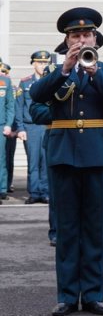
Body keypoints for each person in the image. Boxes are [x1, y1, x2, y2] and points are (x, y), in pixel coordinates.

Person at [29, 7, 103, 316]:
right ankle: (68, 296)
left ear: (96, 40)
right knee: (68, 228)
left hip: (97, 155)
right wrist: (64, 69)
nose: (81, 39)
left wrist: (94, 72)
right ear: (66, 40)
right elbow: (36, 97)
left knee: (94, 228)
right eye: (75, 35)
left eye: (86, 35)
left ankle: (94, 294)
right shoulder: (57, 71)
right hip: (63, 154)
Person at [15, 51, 52, 205]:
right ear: (33, 64)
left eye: (45, 63)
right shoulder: (25, 83)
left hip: (46, 126)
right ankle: (34, 192)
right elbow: (19, 107)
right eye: (39, 62)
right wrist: (20, 128)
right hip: (30, 127)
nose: (42, 66)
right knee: (33, 161)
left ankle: (45, 192)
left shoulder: (51, 81)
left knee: (45, 160)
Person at [0, 60, 14, 203]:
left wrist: (9, 124)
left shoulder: (5, 81)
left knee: (1, 159)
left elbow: (10, 105)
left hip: (1, 125)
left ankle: (2, 189)